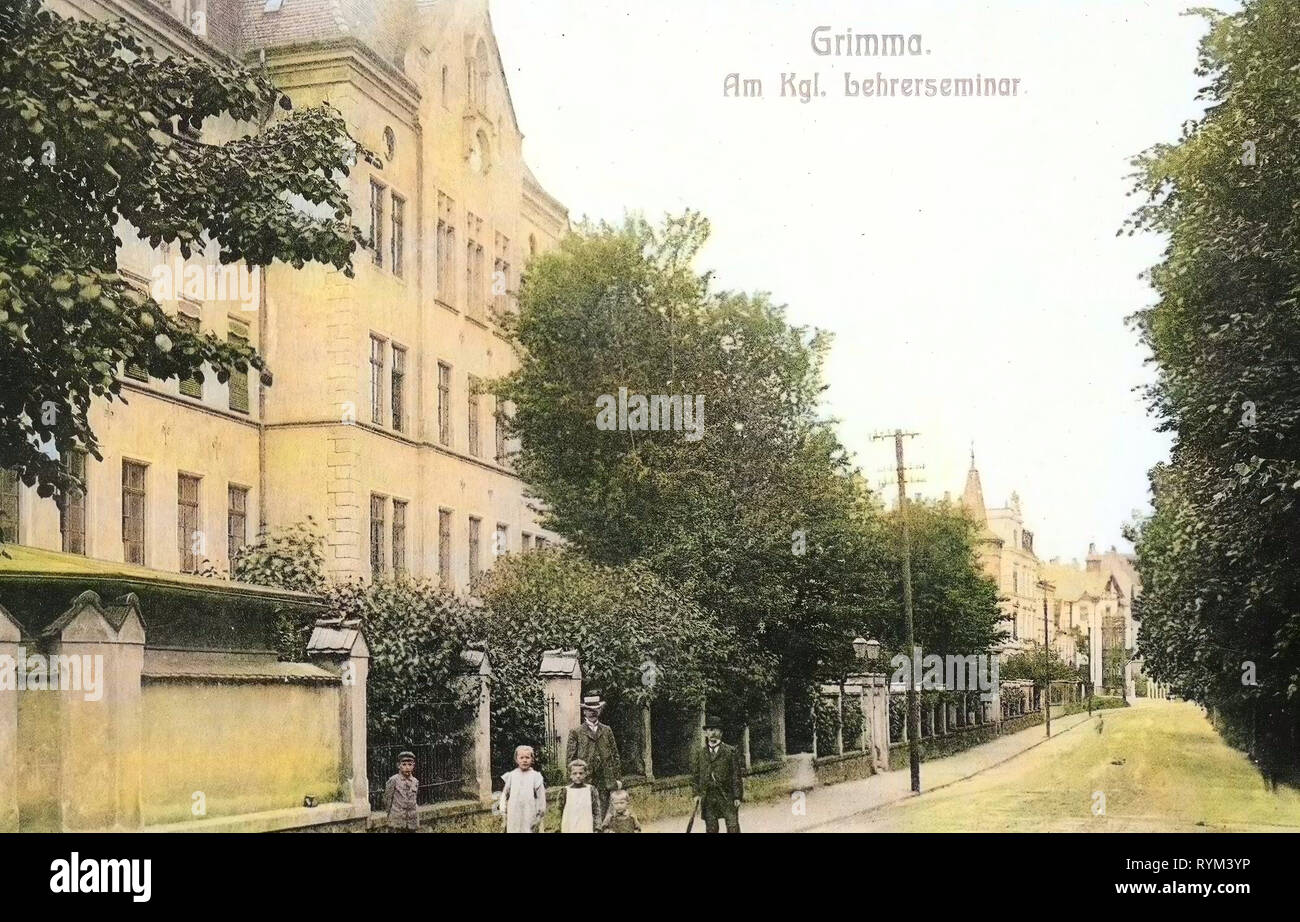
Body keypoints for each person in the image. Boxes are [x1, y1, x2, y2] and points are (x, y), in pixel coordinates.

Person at [564, 692, 622, 810]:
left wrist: (617, 778)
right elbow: (570, 760)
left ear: (599, 711)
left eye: (596, 709)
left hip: (605, 779)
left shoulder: (607, 730)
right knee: (586, 811)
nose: (592, 712)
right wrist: (574, 779)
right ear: (584, 711)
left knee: (604, 811)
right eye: (589, 709)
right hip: (585, 779)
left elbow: (615, 755)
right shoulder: (576, 732)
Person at [689, 715, 742, 833]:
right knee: (711, 828)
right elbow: (696, 775)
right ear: (706, 733)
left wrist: (737, 796)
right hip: (708, 796)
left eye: (715, 729)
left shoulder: (730, 752)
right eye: (709, 730)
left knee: (733, 826)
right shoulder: (701, 754)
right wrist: (696, 794)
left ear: (721, 732)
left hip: (726, 795)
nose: (712, 732)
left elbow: (736, 776)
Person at [500, 745, 546, 833]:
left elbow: (541, 798)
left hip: (529, 812)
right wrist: (503, 812)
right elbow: (504, 794)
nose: (524, 760)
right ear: (516, 759)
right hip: (514, 813)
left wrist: (539, 816)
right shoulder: (511, 775)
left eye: (527, 757)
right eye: (521, 757)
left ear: (532, 759)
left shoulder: (536, 776)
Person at [555, 759, 602, 833]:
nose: (578, 776)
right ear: (570, 775)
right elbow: (558, 812)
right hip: (569, 827)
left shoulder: (591, 790)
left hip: (586, 827)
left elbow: (597, 811)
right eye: (575, 773)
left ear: (585, 774)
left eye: (581, 773)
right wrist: (557, 828)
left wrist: (597, 828)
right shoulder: (564, 791)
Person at [383, 751, 420, 833]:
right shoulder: (393, 780)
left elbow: (414, 800)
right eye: (404, 764)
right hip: (397, 821)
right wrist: (392, 815)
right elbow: (387, 799)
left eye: (410, 764)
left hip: (411, 821)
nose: (407, 767)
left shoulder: (415, 782)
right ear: (398, 766)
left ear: (413, 766)